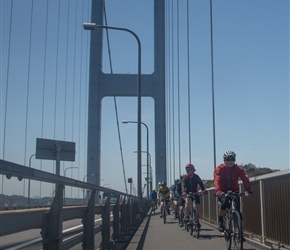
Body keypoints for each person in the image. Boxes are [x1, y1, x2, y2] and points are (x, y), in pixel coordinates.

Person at [214, 150, 252, 232]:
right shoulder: (220, 169)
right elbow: (217, 180)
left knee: (238, 211)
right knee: (223, 204)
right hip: (223, 192)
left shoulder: (237, 168)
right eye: (228, 159)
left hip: (235, 191)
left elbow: (245, 178)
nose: (230, 161)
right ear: (224, 160)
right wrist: (218, 190)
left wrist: (248, 189)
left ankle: (240, 233)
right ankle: (220, 220)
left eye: (232, 159)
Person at [181, 164, 207, 228]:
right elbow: (183, 185)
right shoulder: (185, 178)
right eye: (186, 170)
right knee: (187, 202)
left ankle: (197, 220)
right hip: (188, 193)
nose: (187, 171)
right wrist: (183, 192)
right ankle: (187, 216)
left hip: (195, 193)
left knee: (198, 207)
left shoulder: (196, 177)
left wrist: (204, 190)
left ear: (192, 170)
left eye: (189, 169)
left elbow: (201, 184)